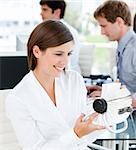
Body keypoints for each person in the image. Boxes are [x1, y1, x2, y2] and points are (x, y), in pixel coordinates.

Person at [6, 20, 105, 149]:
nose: (65, 62)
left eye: (69, 54)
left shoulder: (74, 80)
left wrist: (113, 112)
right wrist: (74, 135)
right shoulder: (18, 98)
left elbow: (86, 133)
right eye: (58, 54)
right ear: (36, 52)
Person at [94, 0, 136, 108]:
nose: (102, 32)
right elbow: (128, 86)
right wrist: (107, 91)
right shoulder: (123, 45)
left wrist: (111, 98)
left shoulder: (134, 49)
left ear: (119, 22)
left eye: (104, 26)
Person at [39, 0, 81, 73]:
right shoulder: (45, 31)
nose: (41, 13)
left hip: (66, 75)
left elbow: (66, 63)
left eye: (45, 10)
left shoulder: (67, 32)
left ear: (57, 12)